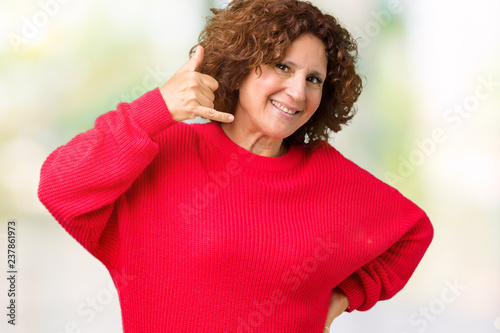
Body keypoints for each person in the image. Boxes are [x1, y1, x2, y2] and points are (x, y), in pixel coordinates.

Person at [38, 0, 433, 332]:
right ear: (242, 66)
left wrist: (340, 299)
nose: (297, 91)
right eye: (282, 67)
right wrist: (156, 108)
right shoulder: (163, 153)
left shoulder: (330, 176)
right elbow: (58, 187)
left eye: (314, 78)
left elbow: (413, 232)